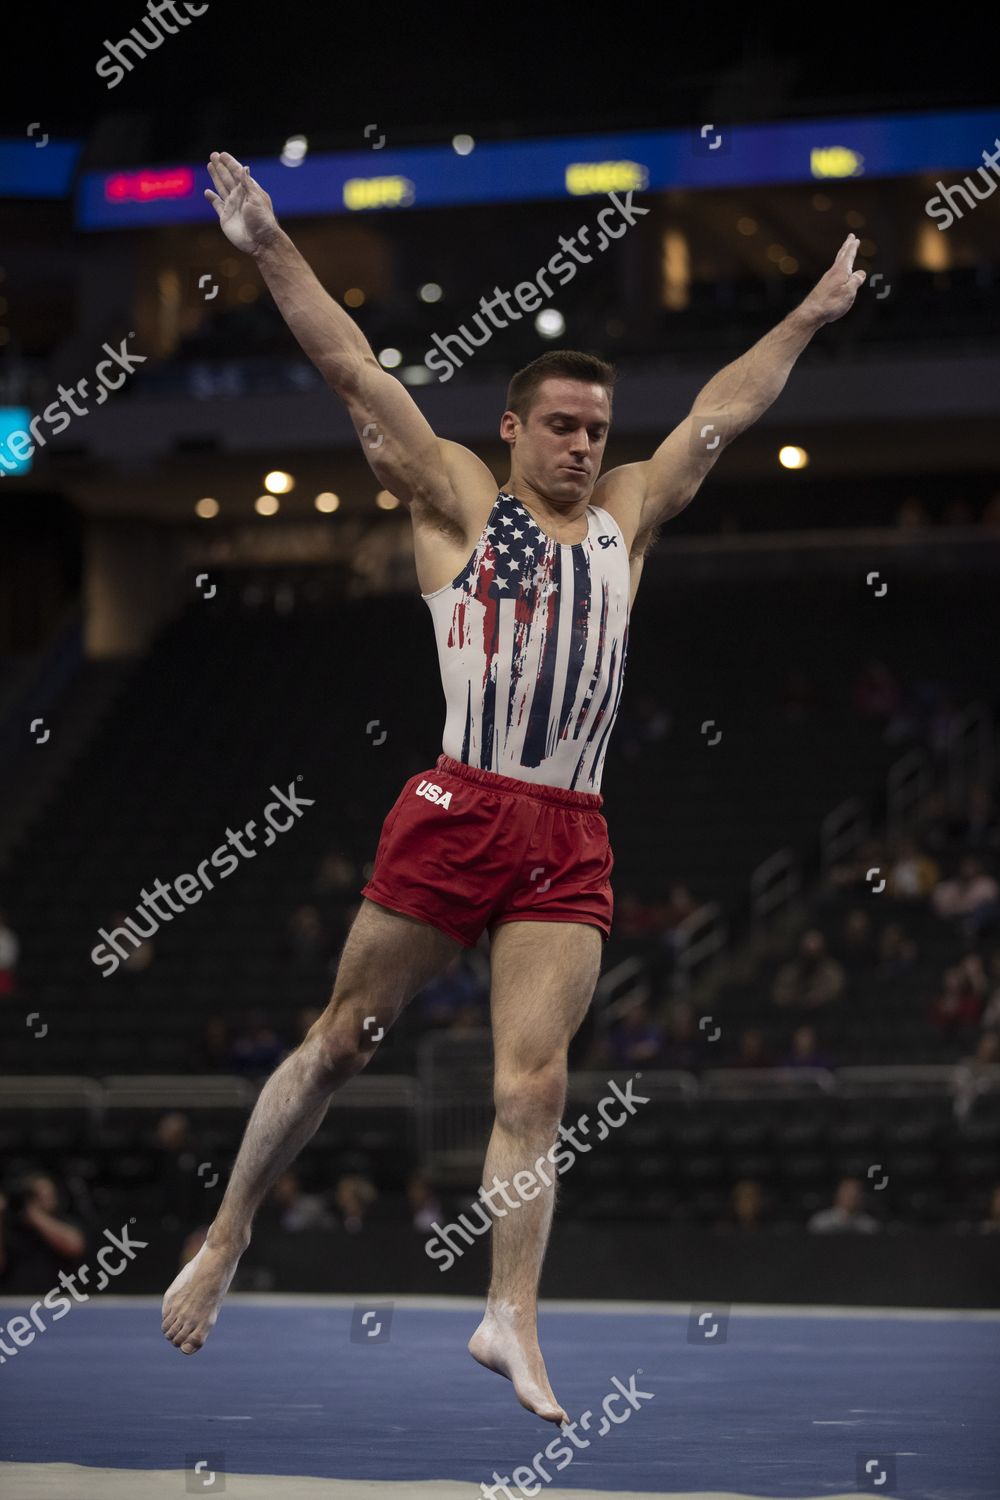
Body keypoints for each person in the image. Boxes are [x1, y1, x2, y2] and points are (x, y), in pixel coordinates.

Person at [162, 149, 868, 1424]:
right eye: (562, 426)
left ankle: (510, 1315)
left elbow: (726, 407)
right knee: (338, 1045)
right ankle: (225, 1231)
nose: (585, 447)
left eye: (598, 429)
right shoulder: (456, 501)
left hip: (569, 831)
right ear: (512, 426)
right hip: (459, 807)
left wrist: (806, 318)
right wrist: (267, 242)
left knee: (534, 1085)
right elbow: (351, 367)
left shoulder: (630, 517)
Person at [0, 1173, 86, 1293]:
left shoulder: (64, 1221)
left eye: (49, 1194)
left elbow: (74, 1246)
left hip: (57, 1300)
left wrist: (34, 1215)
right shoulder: (11, 1225)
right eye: (38, 1195)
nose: (46, 1198)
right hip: (16, 1300)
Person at [772, 929, 846, 1009]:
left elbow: (835, 993)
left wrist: (812, 998)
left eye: (815, 953)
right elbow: (779, 995)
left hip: (825, 1015)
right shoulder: (790, 971)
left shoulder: (832, 971)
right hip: (793, 1015)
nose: (811, 957)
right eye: (807, 953)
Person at [807, 1177, 879, 1234]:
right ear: (837, 1194)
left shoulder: (869, 1226)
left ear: (862, 1198)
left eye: (856, 1194)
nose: (851, 1197)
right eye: (847, 1193)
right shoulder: (820, 1222)